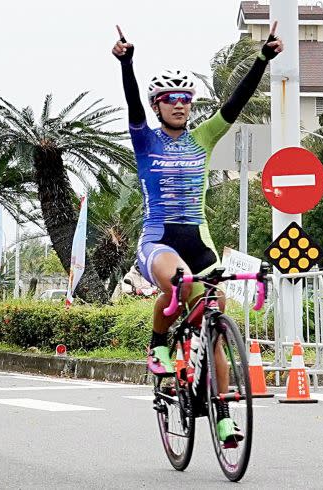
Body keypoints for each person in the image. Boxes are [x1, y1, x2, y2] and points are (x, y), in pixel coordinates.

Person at [112, 24, 283, 446]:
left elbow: (236, 103)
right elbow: (132, 105)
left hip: (198, 239)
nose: (179, 105)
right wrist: (127, 62)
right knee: (176, 281)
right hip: (158, 240)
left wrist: (263, 59)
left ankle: (222, 415)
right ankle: (159, 345)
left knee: (218, 312)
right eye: (169, 99)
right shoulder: (145, 140)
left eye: (185, 99)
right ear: (157, 105)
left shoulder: (203, 139)